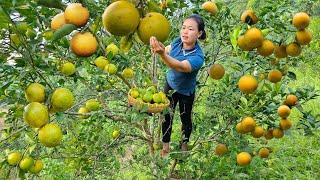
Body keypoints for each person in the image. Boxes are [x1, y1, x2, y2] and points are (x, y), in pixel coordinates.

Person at [150, 14, 206, 157]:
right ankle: (166, 146)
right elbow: (168, 49)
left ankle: (184, 142)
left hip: (186, 92)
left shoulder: (198, 57)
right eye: (183, 28)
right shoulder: (177, 42)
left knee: (185, 119)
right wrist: (160, 47)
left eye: (190, 29)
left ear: (199, 33)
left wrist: (162, 54)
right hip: (170, 85)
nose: (185, 32)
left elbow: (180, 66)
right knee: (166, 116)